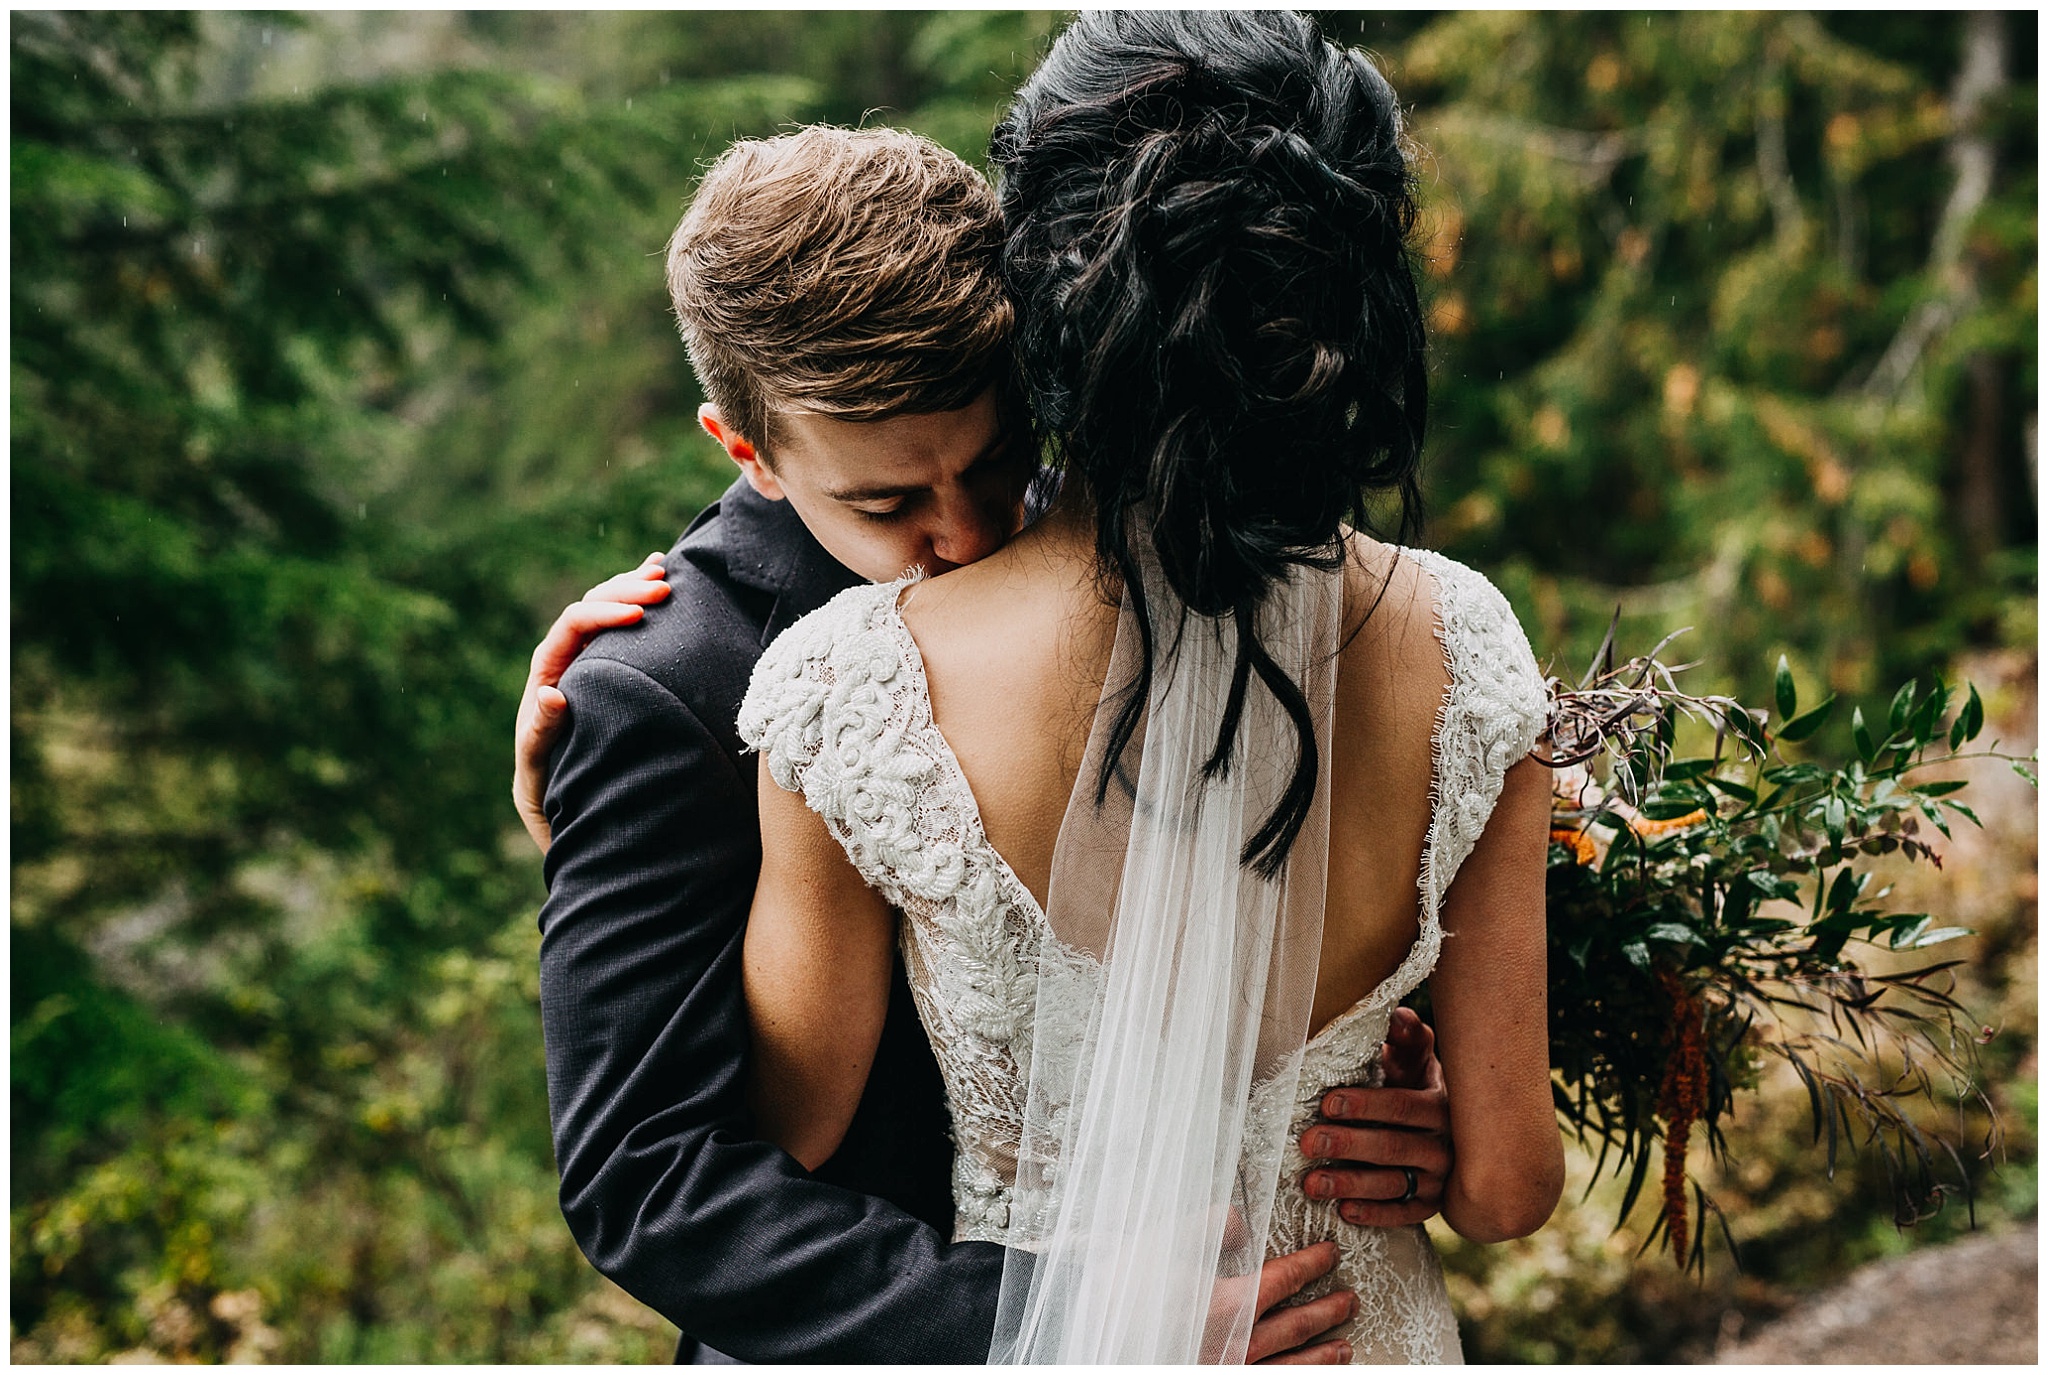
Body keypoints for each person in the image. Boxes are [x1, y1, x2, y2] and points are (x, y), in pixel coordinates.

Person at [515, 123, 1459, 1364]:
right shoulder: (658, 689)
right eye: (886, 502)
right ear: (745, 449)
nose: (963, 531)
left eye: (999, 455)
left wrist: (1395, 1086)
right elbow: (647, 1179)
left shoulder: (1142, 536)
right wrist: (1068, 1324)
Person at [731, 12, 1563, 1365]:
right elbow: (1508, 1188)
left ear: (1042, 297)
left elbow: (795, 1127)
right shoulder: (1465, 644)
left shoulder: (857, 683)